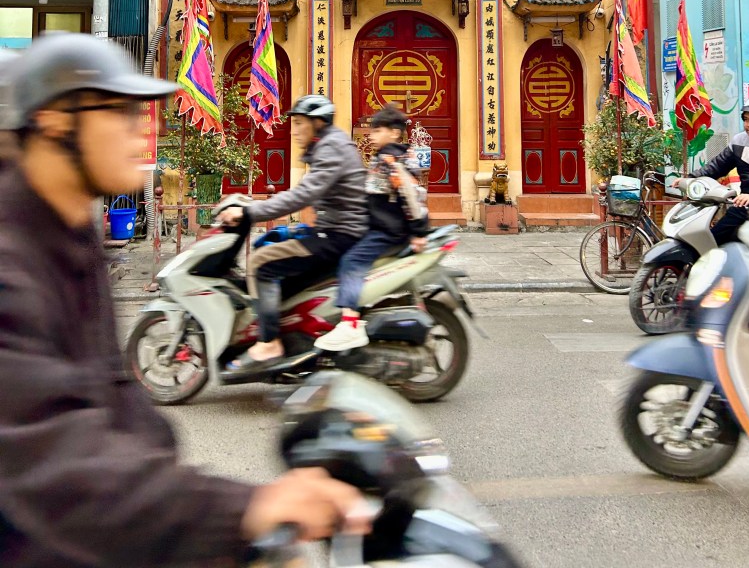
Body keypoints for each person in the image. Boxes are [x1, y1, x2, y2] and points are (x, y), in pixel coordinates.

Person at [0, 34, 368, 567]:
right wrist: (239, 511)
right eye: (121, 111)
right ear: (58, 121)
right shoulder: (13, 262)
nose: (141, 129)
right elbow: (54, 458)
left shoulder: (72, 229)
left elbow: (121, 410)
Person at [217, 94, 368, 374]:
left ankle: (269, 343)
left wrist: (249, 213)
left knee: (260, 261)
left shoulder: (331, 148)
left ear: (318, 123)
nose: (293, 130)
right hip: (334, 229)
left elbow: (302, 195)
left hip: (339, 235)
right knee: (274, 242)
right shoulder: (329, 144)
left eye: (299, 123)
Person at [315, 103, 429, 352]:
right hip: (380, 225)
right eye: (372, 130)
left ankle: (349, 322)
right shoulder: (393, 156)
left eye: (378, 131)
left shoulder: (390, 159)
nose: (371, 135)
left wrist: (419, 231)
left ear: (394, 133)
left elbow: (411, 196)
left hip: (388, 231)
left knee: (351, 261)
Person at [674, 97, 749, 244]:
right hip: (744, 207)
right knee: (713, 241)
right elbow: (717, 166)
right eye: (746, 119)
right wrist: (691, 178)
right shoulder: (739, 141)